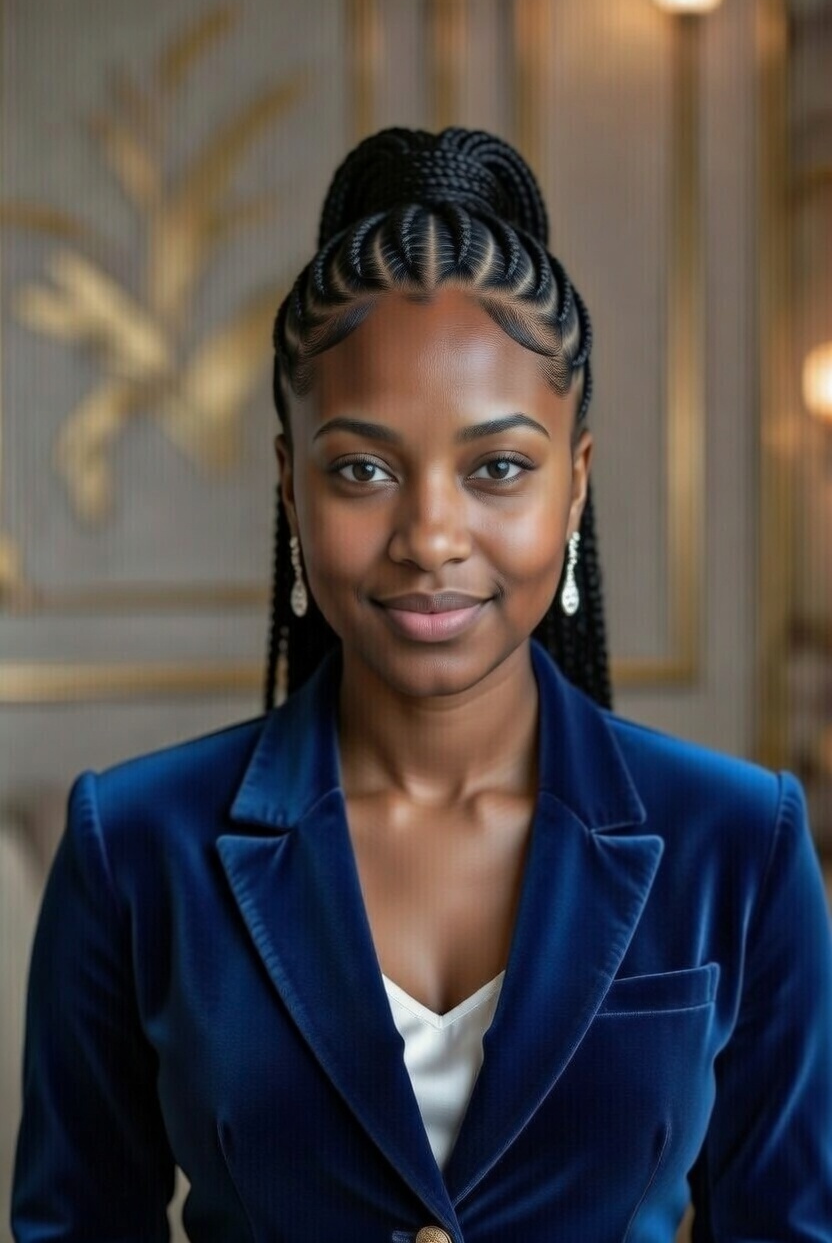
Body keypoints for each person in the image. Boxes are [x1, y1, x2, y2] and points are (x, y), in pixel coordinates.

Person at [11, 126, 832, 1243]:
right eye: (361, 469)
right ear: (290, 489)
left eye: (498, 468)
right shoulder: (134, 848)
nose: (431, 536)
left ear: (575, 484)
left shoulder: (740, 843)